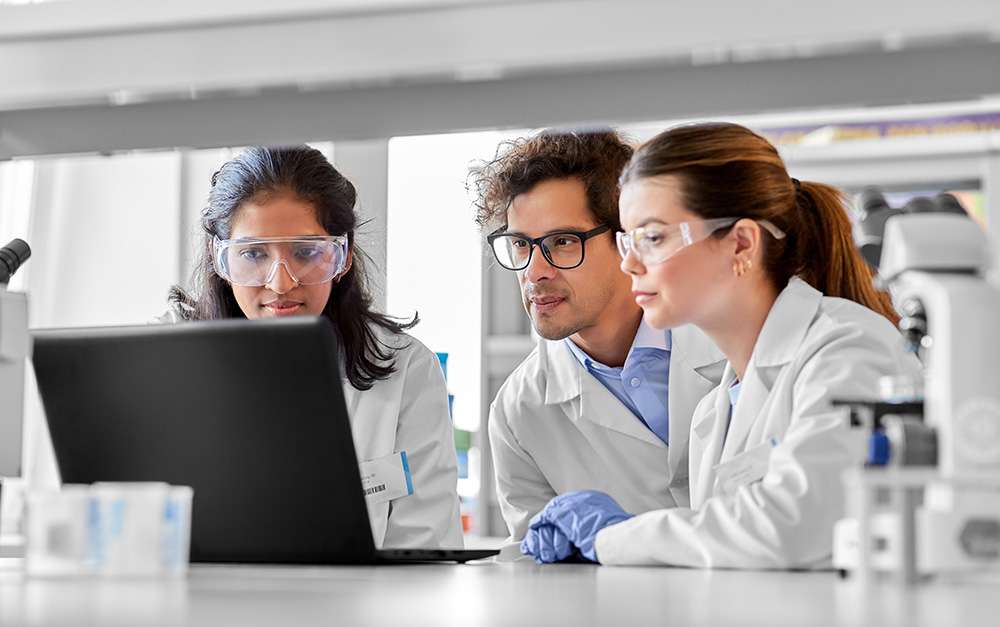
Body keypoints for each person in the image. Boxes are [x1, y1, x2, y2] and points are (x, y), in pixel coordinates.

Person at [520, 122, 922, 568]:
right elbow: (726, 552)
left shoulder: (849, 347)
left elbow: (792, 525)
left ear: (741, 244)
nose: (629, 264)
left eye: (652, 238)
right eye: (627, 241)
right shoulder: (714, 412)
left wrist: (613, 536)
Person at [164, 145, 463, 550]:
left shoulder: (406, 370)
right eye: (253, 254)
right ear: (221, 261)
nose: (280, 283)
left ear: (343, 256)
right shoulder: (168, 360)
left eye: (306, 253)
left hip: (355, 609)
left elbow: (426, 550)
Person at [469, 129, 726, 545]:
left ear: (629, 240)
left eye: (563, 241)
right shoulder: (519, 413)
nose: (534, 271)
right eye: (520, 244)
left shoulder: (731, 346)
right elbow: (543, 578)